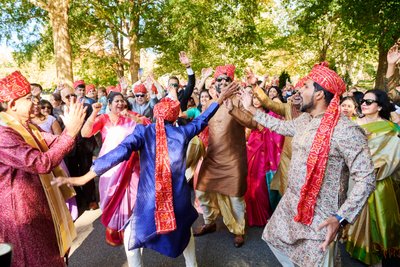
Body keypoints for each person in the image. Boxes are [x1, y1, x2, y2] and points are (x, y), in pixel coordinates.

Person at [53, 82, 238, 266]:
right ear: (174, 119)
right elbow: (202, 119)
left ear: (155, 114)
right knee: (183, 230)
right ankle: (192, 265)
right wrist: (220, 98)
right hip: (178, 198)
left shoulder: (143, 132)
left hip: (149, 200)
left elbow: (119, 152)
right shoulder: (183, 132)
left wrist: (84, 177)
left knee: (133, 237)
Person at [240, 62, 376, 266]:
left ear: (319, 94)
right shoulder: (305, 120)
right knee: (274, 240)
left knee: (317, 261)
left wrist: (341, 217)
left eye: (306, 87)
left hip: (321, 218)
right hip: (291, 205)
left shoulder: (345, 130)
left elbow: (367, 177)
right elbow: (280, 125)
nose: (299, 90)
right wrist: (250, 108)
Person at [0, 71, 86, 266]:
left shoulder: (29, 127)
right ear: (12, 104)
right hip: (21, 215)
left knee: (53, 255)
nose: (36, 101)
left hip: (41, 207)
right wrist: (70, 132)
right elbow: (40, 163)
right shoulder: (3, 133)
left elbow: (58, 142)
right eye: (30, 98)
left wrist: (75, 127)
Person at [194, 64, 258, 248]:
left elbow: (253, 123)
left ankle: (238, 230)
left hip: (234, 159)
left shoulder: (240, 101)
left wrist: (233, 109)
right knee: (201, 191)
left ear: (232, 82)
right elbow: (199, 123)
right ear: (215, 84)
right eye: (219, 80)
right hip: (212, 157)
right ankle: (210, 222)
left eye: (226, 80)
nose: (223, 82)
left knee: (236, 197)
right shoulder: (210, 103)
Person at [344, 89, 400, 265]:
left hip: (380, 180)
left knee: (377, 217)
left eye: (369, 102)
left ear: (380, 106)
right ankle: (357, 246)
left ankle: (375, 250)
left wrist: (373, 171)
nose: (364, 104)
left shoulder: (390, 128)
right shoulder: (352, 123)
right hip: (354, 178)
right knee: (356, 212)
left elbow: (393, 156)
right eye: (363, 101)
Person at [80, 92, 144, 246]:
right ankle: (114, 233)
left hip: (131, 163)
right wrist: (94, 112)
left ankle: (132, 231)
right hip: (110, 165)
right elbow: (85, 133)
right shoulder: (103, 118)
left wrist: (130, 116)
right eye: (117, 101)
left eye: (123, 101)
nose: (120, 104)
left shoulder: (132, 115)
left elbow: (145, 126)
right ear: (109, 104)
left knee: (132, 197)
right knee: (111, 196)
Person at [60, 84, 98, 211]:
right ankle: (79, 199)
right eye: (67, 96)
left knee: (87, 173)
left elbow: (93, 126)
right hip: (68, 149)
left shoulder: (86, 108)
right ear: (62, 99)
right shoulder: (58, 112)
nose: (71, 98)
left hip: (85, 147)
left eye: (73, 95)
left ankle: (91, 200)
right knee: (72, 174)